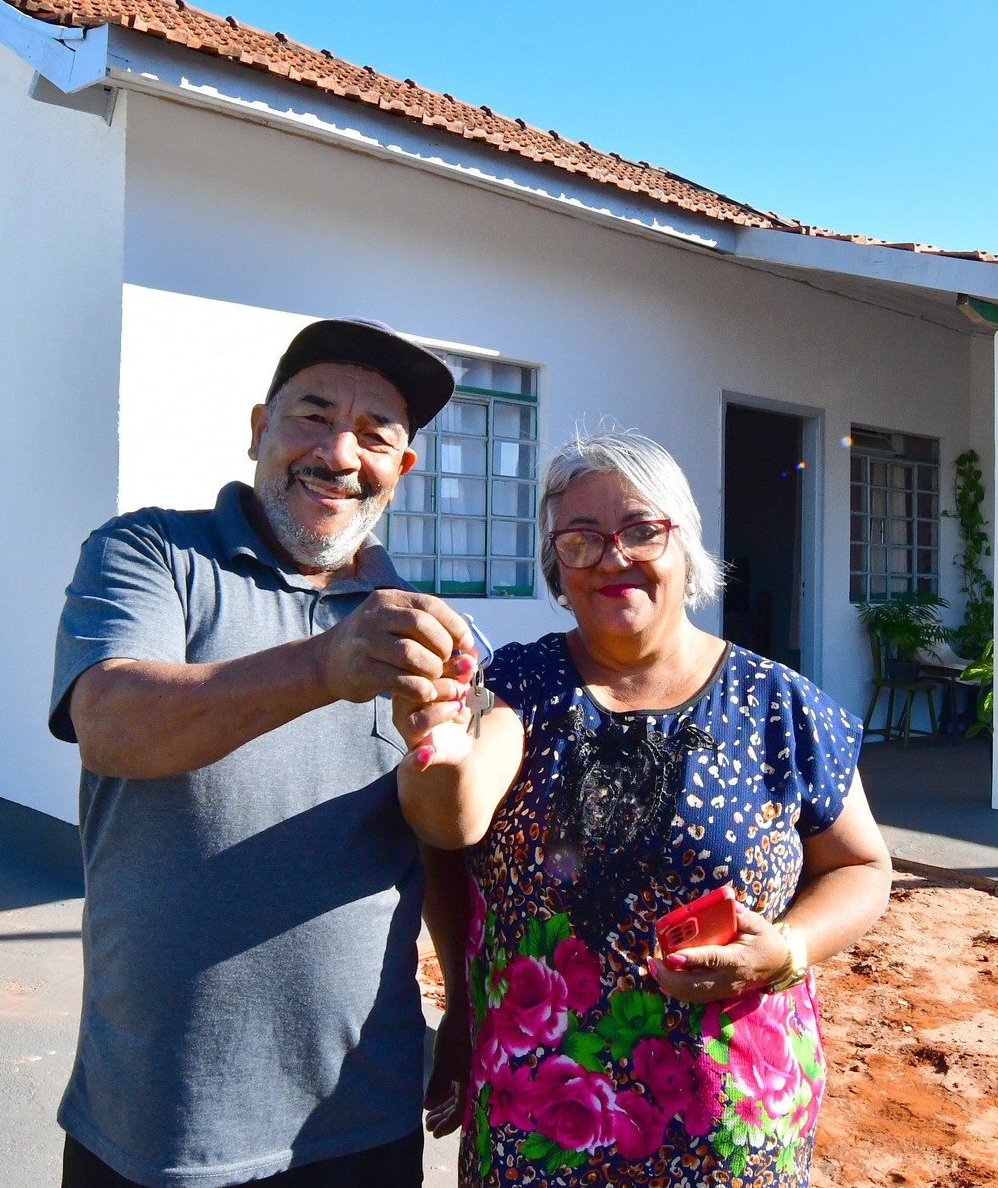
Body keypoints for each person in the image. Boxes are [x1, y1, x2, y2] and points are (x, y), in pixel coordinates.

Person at [396, 428, 893, 1185]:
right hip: (542, 1126)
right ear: (556, 569)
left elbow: (864, 865)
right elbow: (452, 818)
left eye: (639, 531)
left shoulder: (777, 703)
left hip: (727, 1127)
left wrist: (787, 949)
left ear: (684, 546)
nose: (612, 557)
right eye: (581, 539)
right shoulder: (524, 686)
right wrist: (436, 734)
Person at [48, 317, 477, 1188]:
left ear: (403, 469)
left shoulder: (421, 628)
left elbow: (437, 839)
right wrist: (327, 663)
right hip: (157, 1125)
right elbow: (111, 721)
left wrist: (468, 1001)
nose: (338, 452)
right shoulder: (150, 554)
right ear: (258, 427)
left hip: (362, 1121)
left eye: (374, 435)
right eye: (312, 416)